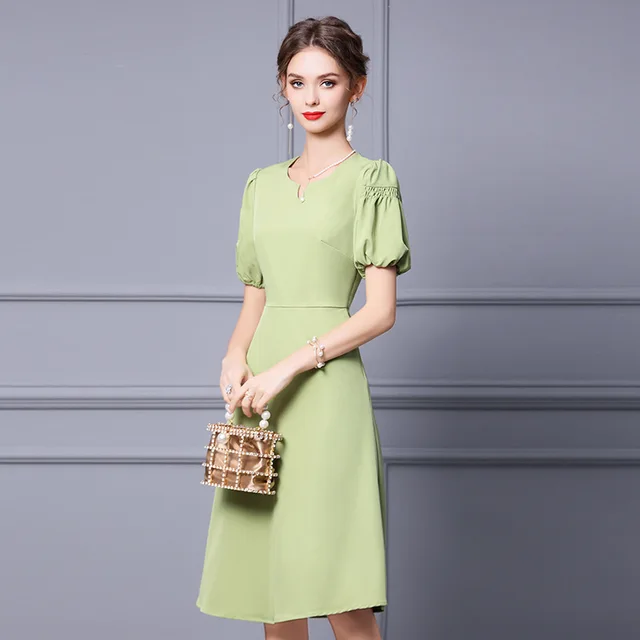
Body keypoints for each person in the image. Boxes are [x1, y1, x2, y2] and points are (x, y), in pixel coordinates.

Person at [196, 15, 411, 640]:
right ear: (283, 88)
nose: (311, 97)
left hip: (323, 389)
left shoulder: (372, 181)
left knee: (339, 588)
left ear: (357, 87)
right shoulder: (260, 186)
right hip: (260, 393)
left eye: (328, 82)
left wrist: (289, 365)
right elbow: (257, 295)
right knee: (276, 590)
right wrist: (235, 356)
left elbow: (380, 311)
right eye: (297, 82)